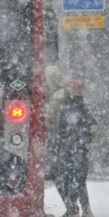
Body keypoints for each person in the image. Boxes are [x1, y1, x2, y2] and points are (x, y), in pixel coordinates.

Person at [56, 79, 97, 217]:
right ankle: (85, 210)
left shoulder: (67, 106)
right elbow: (93, 127)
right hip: (80, 149)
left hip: (69, 148)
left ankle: (72, 210)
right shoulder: (85, 106)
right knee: (79, 180)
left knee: (65, 179)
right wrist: (84, 142)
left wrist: (65, 142)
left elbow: (61, 127)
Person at [45, 66, 68, 206]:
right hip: (63, 140)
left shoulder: (57, 98)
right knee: (59, 173)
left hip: (55, 139)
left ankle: (71, 208)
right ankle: (74, 208)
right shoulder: (63, 93)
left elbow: (48, 118)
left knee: (55, 173)